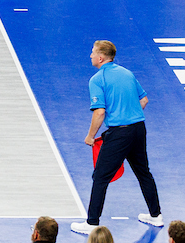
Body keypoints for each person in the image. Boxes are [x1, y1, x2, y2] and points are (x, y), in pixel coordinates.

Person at [71, 40, 163, 235]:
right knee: (143, 172)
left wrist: (90, 136)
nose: (90, 55)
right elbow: (144, 100)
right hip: (138, 129)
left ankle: (92, 223)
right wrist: (129, 116)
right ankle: (156, 215)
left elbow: (99, 113)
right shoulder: (127, 73)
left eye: (93, 52)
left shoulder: (97, 79)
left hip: (119, 134)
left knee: (100, 177)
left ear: (101, 57)